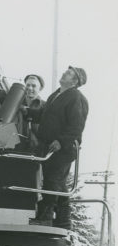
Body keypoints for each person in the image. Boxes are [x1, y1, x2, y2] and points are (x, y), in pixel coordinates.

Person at [29, 66, 88, 229]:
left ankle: (46, 217)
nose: (64, 73)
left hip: (62, 149)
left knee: (53, 181)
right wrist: (28, 112)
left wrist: (61, 141)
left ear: (75, 81)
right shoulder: (57, 94)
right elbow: (47, 116)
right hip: (49, 147)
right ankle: (64, 222)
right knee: (58, 184)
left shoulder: (75, 96)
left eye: (69, 73)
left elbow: (77, 125)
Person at [22, 74, 45, 149]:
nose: (29, 88)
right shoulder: (15, 104)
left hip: (35, 150)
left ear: (40, 88)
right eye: (27, 85)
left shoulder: (45, 106)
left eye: (34, 86)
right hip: (13, 148)